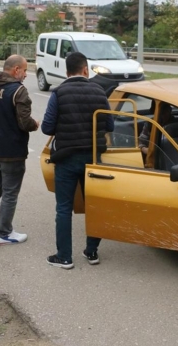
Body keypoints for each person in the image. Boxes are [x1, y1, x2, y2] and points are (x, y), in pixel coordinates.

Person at [41, 52, 114, 269]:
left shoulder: (59, 92)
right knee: (94, 206)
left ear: (66, 71)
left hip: (66, 158)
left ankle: (64, 257)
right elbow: (110, 126)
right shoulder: (99, 91)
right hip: (93, 158)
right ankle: (91, 252)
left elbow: (47, 127)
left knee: (64, 208)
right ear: (85, 69)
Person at [0, 55, 39, 246]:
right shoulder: (18, 91)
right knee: (10, 193)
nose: (26, 75)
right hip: (12, 152)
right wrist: (35, 124)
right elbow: (24, 122)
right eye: (25, 70)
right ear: (16, 70)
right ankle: (4, 232)